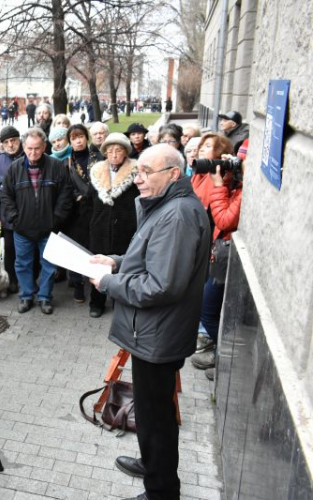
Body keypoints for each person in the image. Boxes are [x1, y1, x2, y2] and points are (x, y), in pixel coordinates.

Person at [89, 144, 210, 500]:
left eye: (145, 172)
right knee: (150, 410)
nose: (137, 178)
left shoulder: (178, 215)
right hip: (152, 332)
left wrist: (109, 283)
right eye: (137, 171)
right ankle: (152, 462)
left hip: (158, 334)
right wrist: (114, 262)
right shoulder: (168, 207)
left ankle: (160, 490)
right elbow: (148, 258)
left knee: (156, 416)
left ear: (174, 174)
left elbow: (161, 285)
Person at [0, 127, 74, 315]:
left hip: (48, 228)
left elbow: (66, 194)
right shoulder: (14, 168)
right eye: (29, 148)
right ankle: (26, 296)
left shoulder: (56, 167)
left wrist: (56, 219)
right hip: (22, 228)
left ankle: (45, 297)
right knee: (22, 263)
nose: (33, 152)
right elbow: (6, 196)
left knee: (49, 264)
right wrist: (14, 219)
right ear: (24, 147)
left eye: (37, 148)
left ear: (44, 147)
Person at [191, 142, 245, 377]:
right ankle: (224, 357)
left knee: (208, 310)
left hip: (225, 258)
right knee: (209, 309)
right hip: (220, 254)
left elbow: (223, 220)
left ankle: (229, 359)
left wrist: (219, 185)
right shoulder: (238, 184)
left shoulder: (242, 191)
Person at [87, 133, 140, 318]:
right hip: (99, 227)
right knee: (98, 264)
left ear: (125, 152)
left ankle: (120, 301)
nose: (114, 154)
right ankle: (97, 302)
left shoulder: (135, 173)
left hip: (126, 228)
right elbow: (88, 202)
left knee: (122, 266)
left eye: (118, 150)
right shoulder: (97, 172)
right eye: (110, 151)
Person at [64, 124, 104, 303]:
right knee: (75, 248)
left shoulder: (98, 158)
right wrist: (77, 197)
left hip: (97, 209)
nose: (78, 141)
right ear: (70, 141)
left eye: (80, 137)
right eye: (74, 138)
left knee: (96, 247)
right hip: (76, 211)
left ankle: (98, 284)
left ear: (86, 138)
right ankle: (77, 284)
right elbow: (64, 186)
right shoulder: (67, 162)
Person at [0, 126, 24, 294]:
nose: (11, 145)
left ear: (20, 140)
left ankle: (30, 279)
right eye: (6, 142)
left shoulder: (29, 156)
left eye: (14, 140)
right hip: (7, 216)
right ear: (1, 145)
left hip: (27, 214)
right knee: (9, 249)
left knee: (27, 249)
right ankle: (12, 280)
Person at [190, 132, 234, 209]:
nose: (201, 149)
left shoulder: (221, 175)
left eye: (207, 146)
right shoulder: (197, 172)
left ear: (219, 151)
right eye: (201, 146)